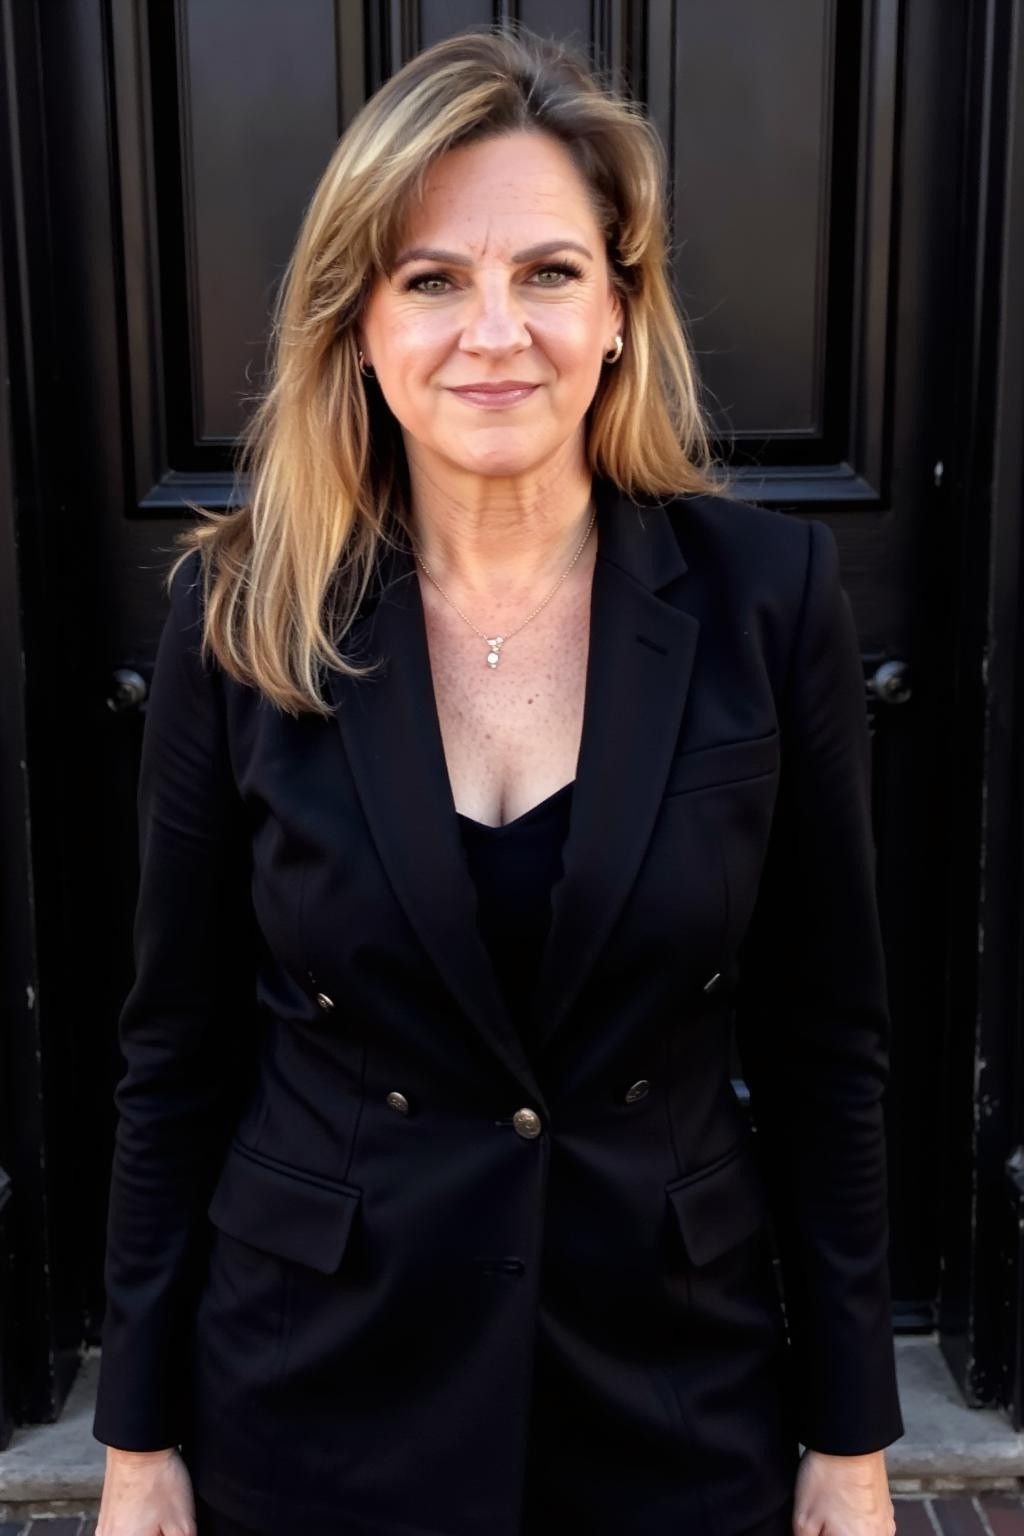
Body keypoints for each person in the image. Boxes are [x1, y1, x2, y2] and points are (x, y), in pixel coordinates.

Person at [92, 23, 904, 1536]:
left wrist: (852, 1437)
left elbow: (826, 1047)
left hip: (670, 1393)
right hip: (317, 1392)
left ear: (619, 311)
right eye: (431, 280)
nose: (495, 331)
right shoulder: (245, 616)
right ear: (357, 324)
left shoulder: (768, 598)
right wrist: (136, 1440)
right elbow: (174, 1051)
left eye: (547, 271)